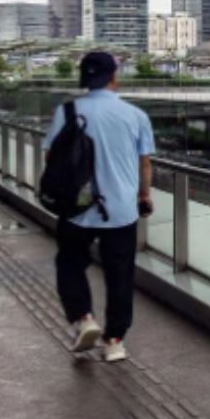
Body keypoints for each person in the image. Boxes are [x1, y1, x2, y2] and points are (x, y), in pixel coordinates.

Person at [43, 50, 155, 362]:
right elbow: (144, 163)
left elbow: (51, 157)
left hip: (77, 209)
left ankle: (84, 319)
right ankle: (115, 340)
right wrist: (144, 196)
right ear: (114, 78)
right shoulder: (135, 115)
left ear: (84, 79)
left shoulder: (66, 112)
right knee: (120, 275)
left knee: (70, 264)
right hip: (121, 210)